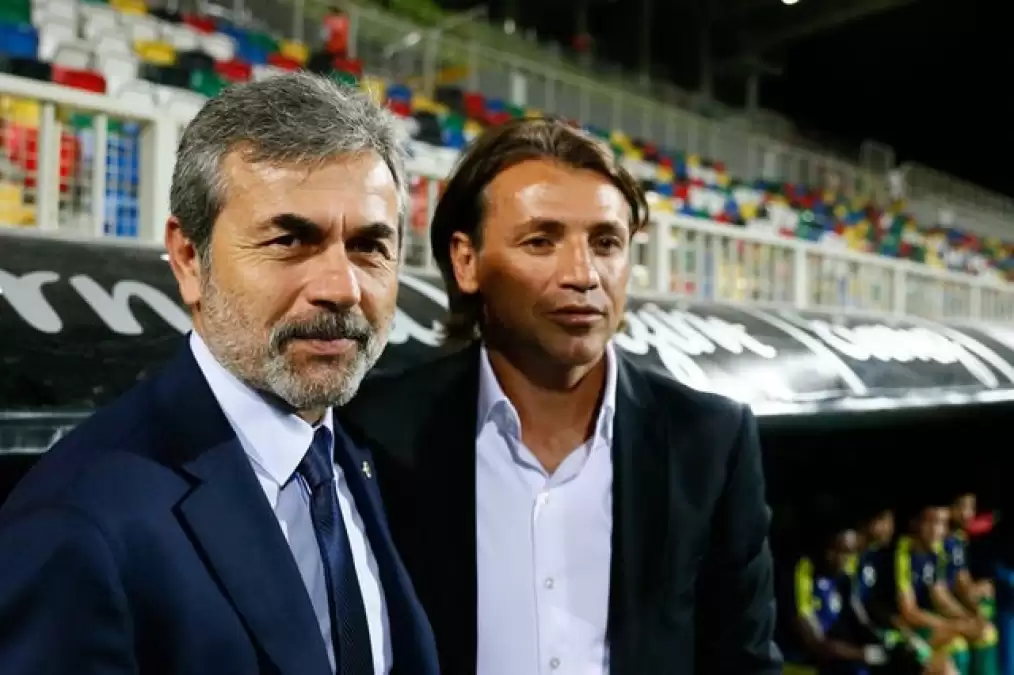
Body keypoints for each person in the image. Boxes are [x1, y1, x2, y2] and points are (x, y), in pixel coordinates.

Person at [0, 73, 438, 675]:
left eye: (369, 246)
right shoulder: (76, 526)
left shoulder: (371, 462)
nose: (342, 287)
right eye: (289, 240)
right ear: (188, 258)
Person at [340, 117, 783, 674]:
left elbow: (744, 660)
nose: (583, 274)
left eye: (606, 243)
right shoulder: (374, 429)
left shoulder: (711, 441)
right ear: (466, 261)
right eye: (541, 241)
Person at [893, 500, 999, 675]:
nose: (937, 530)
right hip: (904, 630)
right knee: (957, 646)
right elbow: (909, 612)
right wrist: (953, 625)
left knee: (986, 633)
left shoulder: (937, 549)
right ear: (915, 523)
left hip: (930, 621)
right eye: (931, 522)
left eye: (942, 523)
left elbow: (939, 593)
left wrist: (967, 617)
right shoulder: (903, 552)